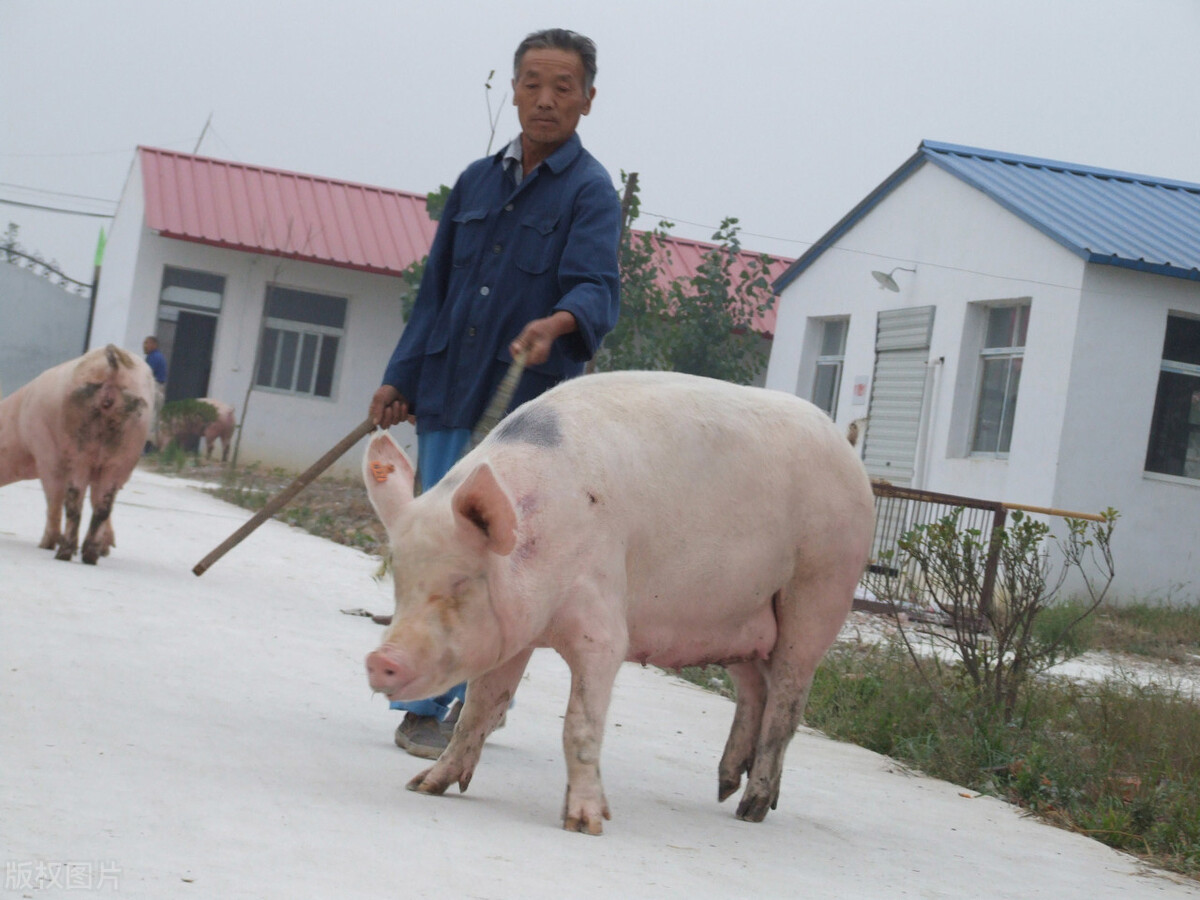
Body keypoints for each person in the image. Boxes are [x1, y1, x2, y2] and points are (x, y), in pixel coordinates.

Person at [369, 27, 621, 759]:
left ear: (588, 100)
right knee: (433, 554)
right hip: (450, 391)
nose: (545, 100)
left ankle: (444, 703)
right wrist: (400, 376)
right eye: (532, 83)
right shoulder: (476, 183)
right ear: (512, 89)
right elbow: (435, 293)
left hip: (522, 416)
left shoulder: (590, 192)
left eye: (563, 87)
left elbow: (598, 290)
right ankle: (427, 685)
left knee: (485, 568)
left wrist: (560, 322)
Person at [143, 336, 168, 452]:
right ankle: (152, 446)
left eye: (147, 343)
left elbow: (147, 373)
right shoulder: (155, 356)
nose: (144, 346)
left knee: (151, 417)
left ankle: (147, 446)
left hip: (155, 387)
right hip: (158, 387)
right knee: (155, 417)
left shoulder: (154, 357)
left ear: (154, 345)